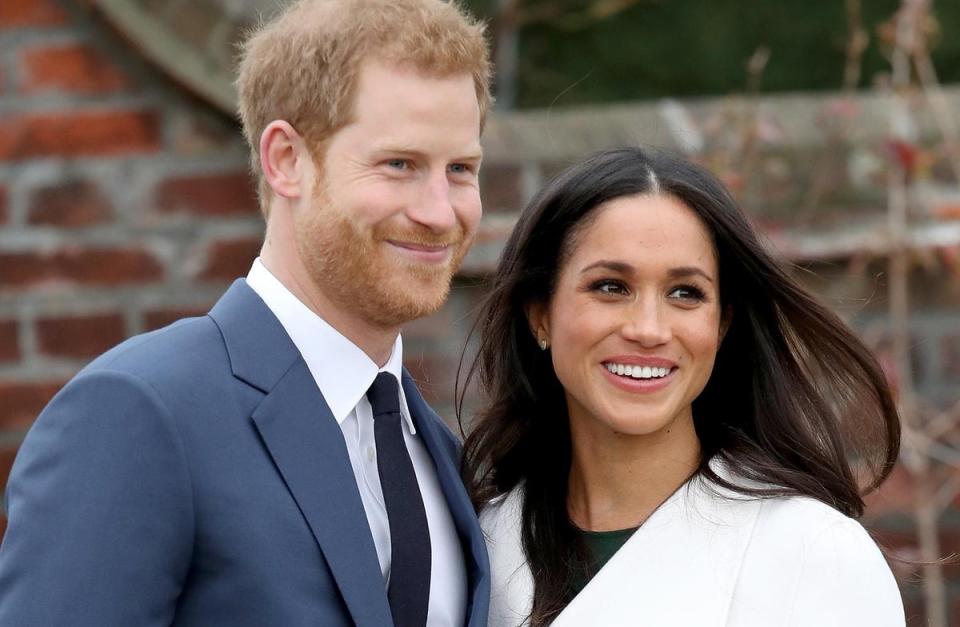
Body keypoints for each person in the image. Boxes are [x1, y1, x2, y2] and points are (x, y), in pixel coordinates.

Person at [0, 1, 492, 625]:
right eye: (400, 165)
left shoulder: (445, 460)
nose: (440, 212)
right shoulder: (141, 411)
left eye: (461, 170)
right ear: (286, 159)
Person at [461, 147, 905, 626]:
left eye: (685, 293)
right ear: (540, 313)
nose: (649, 329)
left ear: (721, 325)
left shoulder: (812, 556)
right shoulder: (474, 547)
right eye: (611, 286)